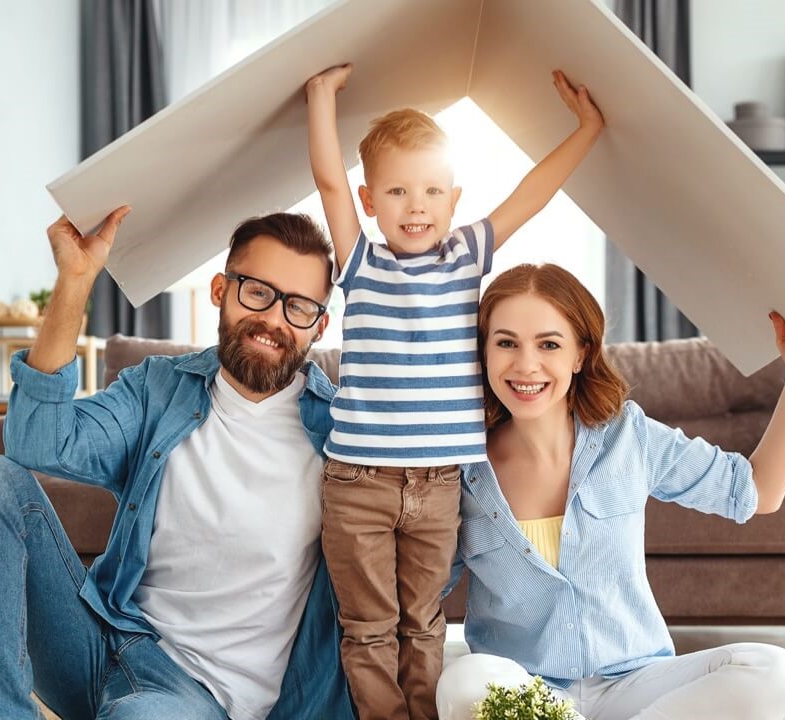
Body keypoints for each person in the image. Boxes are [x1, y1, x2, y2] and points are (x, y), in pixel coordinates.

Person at [0, 207, 355, 720]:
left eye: (297, 306)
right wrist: (75, 281)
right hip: (99, 642)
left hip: (193, 695)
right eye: (258, 292)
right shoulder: (159, 389)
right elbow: (34, 441)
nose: (273, 319)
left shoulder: (342, 432)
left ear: (320, 325)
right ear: (221, 290)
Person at [304, 63, 605, 720]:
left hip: (441, 486)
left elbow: (533, 193)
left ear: (454, 198)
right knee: (368, 627)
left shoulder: (466, 255)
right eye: (399, 191)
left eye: (433, 191)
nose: (417, 206)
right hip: (359, 484)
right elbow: (326, 177)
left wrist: (586, 129)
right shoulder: (361, 260)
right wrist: (321, 98)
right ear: (368, 201)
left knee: (425, 625)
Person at [436, 264, 785, 720]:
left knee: (774, 670)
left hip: (638, 686)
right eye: (506, 343)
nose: (526, 365)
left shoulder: (628, 436)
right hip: (530, 694)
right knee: (464, 680)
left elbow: (758, 490)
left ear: (580, 355)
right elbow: (419, 595)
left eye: (549, 344)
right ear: (483, 352)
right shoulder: (459, 470)